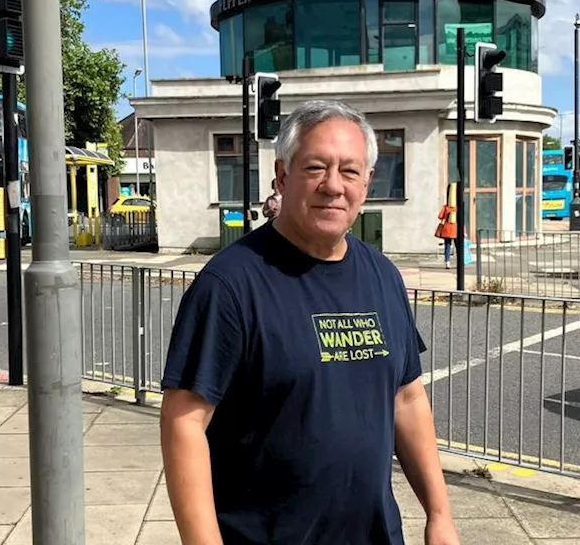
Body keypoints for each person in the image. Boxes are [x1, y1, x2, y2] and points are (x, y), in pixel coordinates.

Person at [160, 99, 458, 545]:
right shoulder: (229, 285)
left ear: (368, 183)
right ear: (282, 177)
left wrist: (439, 515)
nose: (333, 186)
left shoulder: (383, 276)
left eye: (350, 171)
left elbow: (407, 398)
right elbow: (183, 423)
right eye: (316, 167)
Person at [435, 185, 458, 269]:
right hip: (456, 229)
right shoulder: (457, 207)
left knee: (447, 246)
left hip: (447, 229)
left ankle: (447, 262)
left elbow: (440, 216)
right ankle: (460, 261)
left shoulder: (446, 207)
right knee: (458, 246)